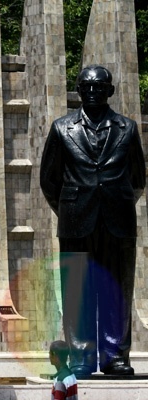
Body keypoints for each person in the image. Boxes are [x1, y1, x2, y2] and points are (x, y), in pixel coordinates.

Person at [40, 65, 146, 376]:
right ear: (77, 90)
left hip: (118, 221)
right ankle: (82, 357)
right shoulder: (62, 128)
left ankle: (114, 357)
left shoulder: (127, 128)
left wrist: (116, 201)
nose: (92, 92)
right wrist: (70, 209)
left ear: (110, 91)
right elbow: (49, 181)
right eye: (86, 87)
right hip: (75, 221)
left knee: (116, 289)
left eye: (99, 87)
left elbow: (138, 177)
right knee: (77, 291)